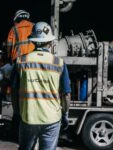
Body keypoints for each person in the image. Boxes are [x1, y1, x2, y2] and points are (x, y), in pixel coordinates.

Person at [17, 21, 71, 150]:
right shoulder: (59, 63)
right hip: (52, 119)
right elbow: (66, 94)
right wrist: (65, 114)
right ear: (51, 42)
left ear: (33, 41)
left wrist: (17, 113)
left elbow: (14, 91)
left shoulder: (21, 61)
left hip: (28, 117)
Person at [6, 9, 35, 133]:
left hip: (18, 63)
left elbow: (9, 46)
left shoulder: (14, 29)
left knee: (15, 88)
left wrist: (9, 59)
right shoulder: (34, 26)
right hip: (33, 63)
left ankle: (17, 115)